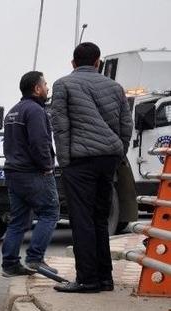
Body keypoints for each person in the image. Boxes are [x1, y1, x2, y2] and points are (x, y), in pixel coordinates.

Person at [49, 42, 133, 293]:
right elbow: (126, 125)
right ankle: (105, 278)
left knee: (82, 219)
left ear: (73, 63)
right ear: (97, 62)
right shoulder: (115, 87)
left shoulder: (63, 85)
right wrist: (119, 151)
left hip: (80, 161)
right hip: (108, 158)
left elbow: (60, 127)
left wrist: (65, 162)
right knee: (100, 217)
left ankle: (87, 279)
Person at [0, 71, 60, 277]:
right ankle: (35, 258)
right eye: (45, 84)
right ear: (36, 88)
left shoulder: (13, 111)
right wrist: (47, 166)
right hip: (33, 173)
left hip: (14, 173)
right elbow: (39, 142)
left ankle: (9, 264)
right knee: (50, 213)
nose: (47, 88)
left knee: (18, 220)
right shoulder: (35, 111)